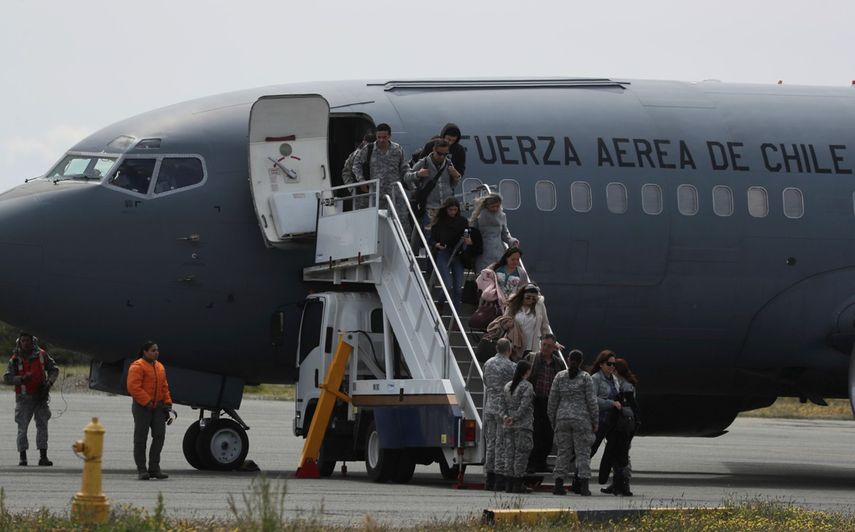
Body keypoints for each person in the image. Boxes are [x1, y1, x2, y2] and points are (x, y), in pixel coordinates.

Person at [4, 332, 59, 466]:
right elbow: (7, 378)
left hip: (40, 397)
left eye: (27, 340)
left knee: (42, 426)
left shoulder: (42, 355)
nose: (25, 343)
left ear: (32, 341)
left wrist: (48, 384)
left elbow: (54, 370)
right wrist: (21, 379)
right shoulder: (14, 359)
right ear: (19, 342)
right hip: (23, 398)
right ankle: (23, 457)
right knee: (22, 427)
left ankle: (43, 456)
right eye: (23, 340)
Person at [548, 349, 598, 496]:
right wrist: (595, 421)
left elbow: (552, 401)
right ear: (581, 361)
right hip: (581, 420)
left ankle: (558, 485)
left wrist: (553, 420)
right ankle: (584, 486)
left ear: (568, 360)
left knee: (563, 452)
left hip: (562, 418)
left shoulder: (560, 377)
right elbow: (592, 402)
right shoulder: (585, 378)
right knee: (583, 453)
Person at [352, 123, 413, 235]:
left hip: (395, 192)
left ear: (389, 136)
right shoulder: (368, 149)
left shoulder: (397, 149)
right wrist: (361, 181)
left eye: (384, 137)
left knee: (402, 221)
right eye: (378, 137)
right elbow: (356, 165)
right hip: (377, 192)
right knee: (378, 223)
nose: (381, 140)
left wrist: (411, 178)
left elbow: (404, 167)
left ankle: (405, 245)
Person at [127, 341, 173, 480]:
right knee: (140, 438)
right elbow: (133, 387)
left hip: (158, 408)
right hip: (142, 407)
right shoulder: (137, 366)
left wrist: (167, 402)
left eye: (157, 350)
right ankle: (142, 470)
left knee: (159, 436)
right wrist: (146, 402)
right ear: (145, 352)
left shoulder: (160, 367)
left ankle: (154, 468)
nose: (156, 352)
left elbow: (164, 387)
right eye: (153, 350)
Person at [523, 334, 567, 473]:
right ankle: (531, 463)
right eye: (544, 345)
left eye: (549, 346)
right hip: (535, 401)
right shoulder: (532, 358)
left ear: (554, 347)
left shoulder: (558, 363)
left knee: (548, 434)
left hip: (550, 402)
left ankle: (542, 462)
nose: (546, 348)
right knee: (534, 433)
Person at [599, 358, 639, 496]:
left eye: (613, 367)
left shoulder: (624, 386)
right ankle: (617, 483)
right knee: (617, 454)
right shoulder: (623, 383)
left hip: (623, 424)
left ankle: (624, 484)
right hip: (622, 424)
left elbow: (628, 406)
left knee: (622, 455)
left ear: (617, 370)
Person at [482, 338, 516, 491]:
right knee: (501, 444)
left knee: (491, 443)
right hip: (503, 409)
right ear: (509, 350)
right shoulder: (512, 366)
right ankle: (499, 479)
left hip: (490, 406)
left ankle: (489, 479)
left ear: (496, 348)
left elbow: (485, 382)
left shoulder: (488, 363)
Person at [406, 139, 461, 229]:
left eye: (445, 154)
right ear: (434, 150)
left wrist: (457, 176)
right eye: (439, 154)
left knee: (445, 233)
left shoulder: (448, 163)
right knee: (429, 234)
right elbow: (407, 177)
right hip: (430, 208)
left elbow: (453, 185)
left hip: (445, 207)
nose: (442, 157)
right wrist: (418, 174)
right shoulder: (424, 162)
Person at [429, 197, 471, 311]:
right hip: (444, 253)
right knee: (447, 285)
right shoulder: (439, 222)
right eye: (450, 210)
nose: (453, 212)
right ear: (446, 209)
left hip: (458, 254)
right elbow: (431, 239)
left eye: (455, 210)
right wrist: (436, 245)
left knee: (458, 288)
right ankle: (441, 302)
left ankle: (456, 318)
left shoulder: (463, 221)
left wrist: (467, 241)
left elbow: (468, 237)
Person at [503, 359, 534, 494]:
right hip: (523, 425)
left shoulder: (507, 386)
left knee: (509, 454)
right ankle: (518, 483)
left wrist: (506, 418)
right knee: (521, 454)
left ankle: (508, 485)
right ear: (526, 372)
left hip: (509, 426)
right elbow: (524, 406)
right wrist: (515, 418)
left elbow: (502, 405)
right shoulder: (527, 386)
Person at [469, 194, 519, 273]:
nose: (495, 208)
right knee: (484, 276)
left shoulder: (502, 216)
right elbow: (472, 231)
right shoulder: (480, 216)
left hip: (498, 250)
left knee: (498, 274)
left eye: (497, 206)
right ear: (487, 205)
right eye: (493, 206)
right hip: (483, 250)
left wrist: (512, 241)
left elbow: (505, 233)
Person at [475, 247, 528, 314]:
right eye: (512, 259)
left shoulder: (521, 273)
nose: (515, 262)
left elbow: (523, 289)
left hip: (510, 304)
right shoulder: (495, 267)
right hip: (493, 302)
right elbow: (484, 278)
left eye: (517, 260)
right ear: (507, 258)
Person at [505, 284, 553, 359]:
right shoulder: (513, 305)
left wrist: (552, 342)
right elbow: (504, 320)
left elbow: (545, 326)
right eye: (528, 297)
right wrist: (508, 324)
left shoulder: (539, 306)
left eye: (534, 298)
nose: (531, 300)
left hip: (530, 346)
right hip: (514, 343)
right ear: (522, 295)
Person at [341, 133, 375, 209]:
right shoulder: (355, 155)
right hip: (360, 194)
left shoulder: (377, 153)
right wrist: (352, 188)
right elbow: (346, 172)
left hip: (375, 192)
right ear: (364, 142)